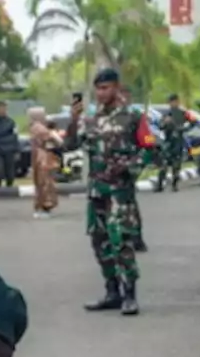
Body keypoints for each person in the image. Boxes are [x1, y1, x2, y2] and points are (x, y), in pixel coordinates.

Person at [66, 67, 156, 316]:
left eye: (105, 88)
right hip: (97, 191)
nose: (101, 93)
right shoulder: (90, 120)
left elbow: (149, 147)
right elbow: (70, 144)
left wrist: (130, 168)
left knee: (121, 242)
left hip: (120, 192)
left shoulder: (133, 117)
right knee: (99, 241)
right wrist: (74, 120)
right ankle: (112, 291)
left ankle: (130, 294)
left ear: (116, 88)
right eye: (98, 89)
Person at [28, 106, 62, 219]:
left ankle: (40, 206)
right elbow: (56, 140)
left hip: (37, 155)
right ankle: (45, 206)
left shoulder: (33, 127)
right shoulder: (40, 128)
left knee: (39, 182)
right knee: (45, 182)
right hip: (42, 156)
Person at [157, 93, 190, 193]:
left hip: (178, 141)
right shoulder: (167, 114)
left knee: (176, 165)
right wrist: (165, 123)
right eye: (171, 102)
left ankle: (174, 184)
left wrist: (182, 128)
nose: (173, 103)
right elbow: (160, 126)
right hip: (168, 141)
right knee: (164, 164)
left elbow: (190, 124)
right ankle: (159, 185)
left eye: (175, 101)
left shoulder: (182, 113)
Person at [0, 100, 20, 188]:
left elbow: (15, 136)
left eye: (4, 109)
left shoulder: (11, 122)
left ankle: (9, 186)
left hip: (9, 149)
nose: (3, 111)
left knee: (10, 171)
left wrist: (17, 150)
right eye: (0, 109)